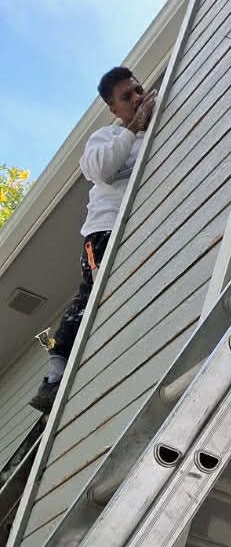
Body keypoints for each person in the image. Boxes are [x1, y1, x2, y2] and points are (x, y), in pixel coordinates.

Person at [30, 68, 157, 412]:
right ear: (114, 109)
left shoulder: (156, 129)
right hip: (103, 231)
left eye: (137, 90)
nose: (136, 98)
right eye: (126, 97)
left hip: (135, 226)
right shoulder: (106, 137)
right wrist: (132, 130)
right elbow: (99, 170)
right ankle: (54, 377)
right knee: (91, 298)